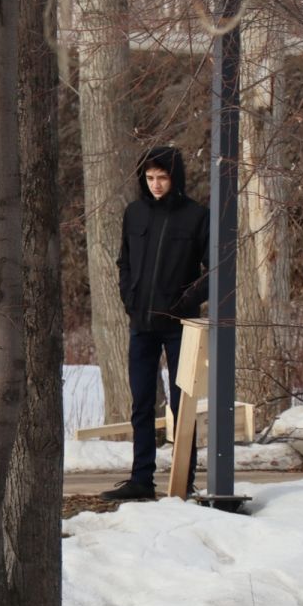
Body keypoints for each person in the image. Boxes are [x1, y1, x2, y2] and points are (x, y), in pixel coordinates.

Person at [102, 145, 208, 502]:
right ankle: (141, 479)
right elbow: (124, 262)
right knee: (142, 403)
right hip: (141, 323)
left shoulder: (196, 216)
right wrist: (128, 298)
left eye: (162, 177)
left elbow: (215, 270)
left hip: (181, 326)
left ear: (175, 177)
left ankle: (184, 481)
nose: (156, 184)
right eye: (149, 178)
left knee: (183, 405)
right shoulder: (134, 213)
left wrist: (185, 303)